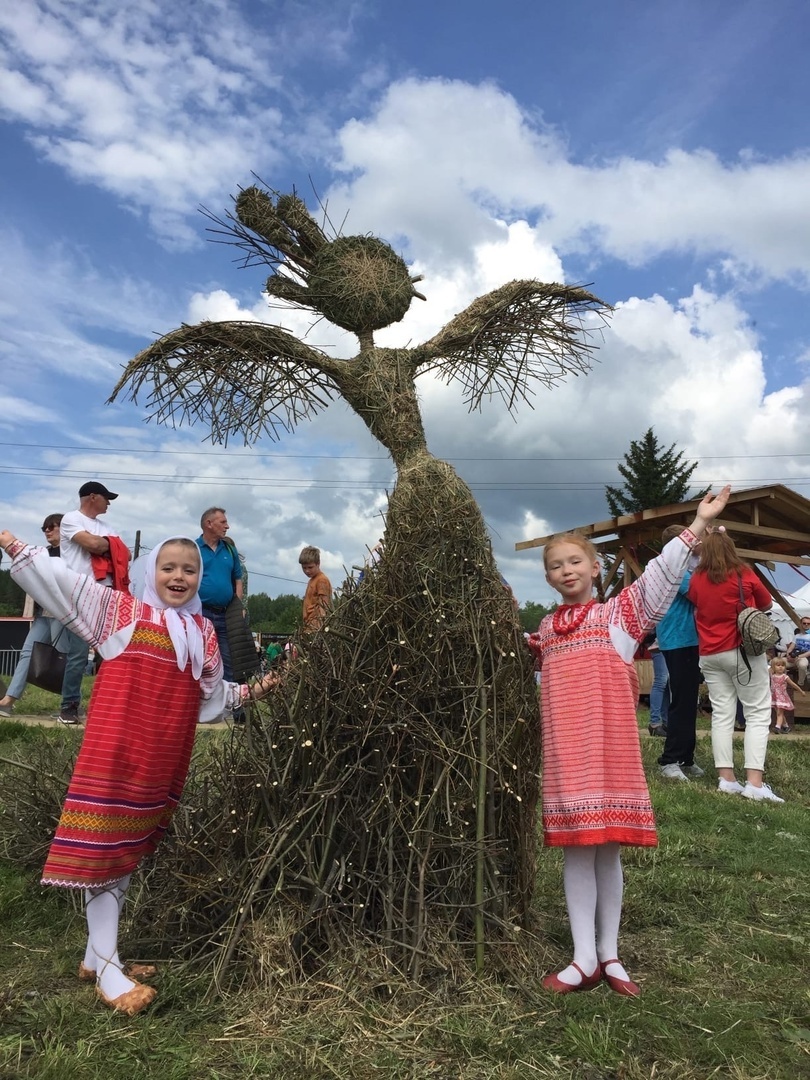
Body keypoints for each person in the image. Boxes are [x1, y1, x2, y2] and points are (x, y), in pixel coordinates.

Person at [0, 527, 246, 1016]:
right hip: (115, 752)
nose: (179, 577)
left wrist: (266, 686)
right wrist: (13, 544)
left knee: (127, 848)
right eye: (169, 567)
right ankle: (110, 968)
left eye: (190, 569)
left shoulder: (201, 635)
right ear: (149, 573)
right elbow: (63, 582)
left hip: (161, 757)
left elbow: (213, 702)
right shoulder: (120, 612)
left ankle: (95, 956)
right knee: (105, 848)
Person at [524, 486, 730, 996]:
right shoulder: (547, 630)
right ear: (547, 576)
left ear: (596, 569)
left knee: (608, 852)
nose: (566, 570)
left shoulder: (620, 617)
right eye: (556, 565)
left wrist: (699, 523)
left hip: (608, 755)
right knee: (576, 853)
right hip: (567, 757)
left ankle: (611, 954)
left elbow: (661, 575)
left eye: (576, 561)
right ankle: (583, 958)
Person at [687, 528, 783, 802]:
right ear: (730, 549)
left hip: (709, 653)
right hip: (741, 651)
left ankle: (726, 778)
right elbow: (765, 603)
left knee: (721, 714)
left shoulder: (696, 579)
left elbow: (696, 602)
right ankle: (754, 782)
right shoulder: (743, 573)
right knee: (757, 713)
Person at [57, 482, 125, 726]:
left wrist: (107, 544)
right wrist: (107, 544)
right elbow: (97, 545)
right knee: (77, 654)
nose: (109, 503)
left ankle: (106, 706)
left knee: (111, 654)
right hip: (77, 593)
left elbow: (121, 550)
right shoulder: (70, 519)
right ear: (92, 497)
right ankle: (69, 706)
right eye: (107, 498)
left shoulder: (107, 526)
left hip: (105, 594)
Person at [0, 514, 63, 717]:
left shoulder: (72, 553)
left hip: (63, 614)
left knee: (65, 657)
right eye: (44, 528)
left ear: (65, 528)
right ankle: (8, 701)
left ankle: (72, 702)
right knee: (27, 653)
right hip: (43, 613)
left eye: (51, 527)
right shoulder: (41, 553)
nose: (47, 531)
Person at [656, 523, 704, 782]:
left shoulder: (686, 566)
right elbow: (700, 593)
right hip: (679, 639)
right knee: (681, 702)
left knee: (688, 701)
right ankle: (670, 759)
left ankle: (685, 757)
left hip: (687, 639)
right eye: (693, 537)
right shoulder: (675, 568)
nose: (698, 540)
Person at [196, 507, 242, 682]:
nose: (227, 526)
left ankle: (230, 707)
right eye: (223, 522)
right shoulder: (194, 548)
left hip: (225, 614)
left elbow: (238, 581)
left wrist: (237, 609)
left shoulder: (230, 550)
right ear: (209, 524)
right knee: (199, 660)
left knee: (227, 661)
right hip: (200, 613)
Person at [299, 545, 332, 630]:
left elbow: (324, 606)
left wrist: (321, 627)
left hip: (316, 626)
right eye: (304, 568)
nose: (307, 571)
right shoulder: (312, 580)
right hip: (309, 624)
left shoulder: (321, 580)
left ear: (318, 564)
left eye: (310, 567)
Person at [770, 656, 803, 733]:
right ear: (773, 667)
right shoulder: (772, 675)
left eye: (782, 665)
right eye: (778, 665)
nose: (780, 667)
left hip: (782, 697)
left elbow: (793, 684)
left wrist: (801, 691)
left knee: (779, 713)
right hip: (774, 696)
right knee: (779, 712)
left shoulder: (785, 677)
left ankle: (777, 727)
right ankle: (786, 726)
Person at [647, 633, 669, 736]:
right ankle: (654, 723)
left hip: (667, 642)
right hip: (657, 643)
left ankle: (666, 722)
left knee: (666, 683)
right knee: (661, 681)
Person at [785, 616, 810, 686]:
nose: (806, 625)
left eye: (808, 623)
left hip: (804, 657)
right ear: (801, 624)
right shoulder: (797, 636)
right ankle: (781, 682)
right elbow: (790, 648)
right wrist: (788, 655)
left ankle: (800, 683)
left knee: (803, 665)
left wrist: (798, 657)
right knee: (775, 662)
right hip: (794, 656)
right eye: (804, 623)